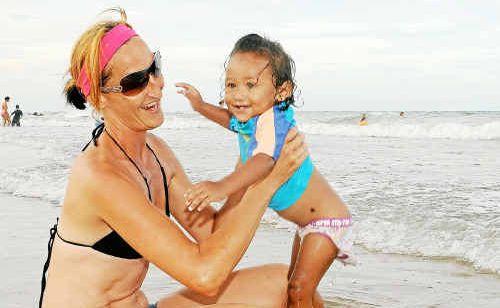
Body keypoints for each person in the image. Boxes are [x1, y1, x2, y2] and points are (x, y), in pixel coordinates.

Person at [39, 10, 308, 308]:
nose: (156, 83)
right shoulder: (100, 175)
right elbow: (205, 275)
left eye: (154, 67)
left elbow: (211, 236)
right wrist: (267, 183)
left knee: (288, 286)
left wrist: (248, 166)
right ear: (100, 98)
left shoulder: (156, 153)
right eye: (136, 81)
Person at [176, 33, 354, 308]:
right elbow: (231, 121)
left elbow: (264, 161)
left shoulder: (273, 121)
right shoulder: (253, 118)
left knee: (298, 289)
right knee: (294, 289)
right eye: (231, 84)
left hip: (326, 222)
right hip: (306, 223)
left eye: (250, 85)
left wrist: (221, 187)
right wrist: (200, 106)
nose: (238, 94)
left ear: (281, 91)